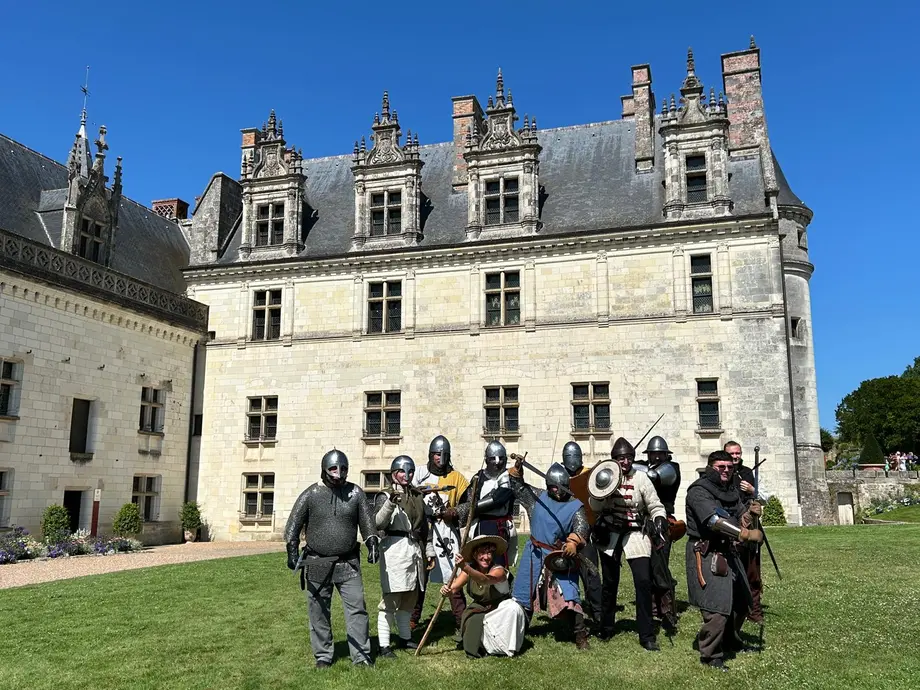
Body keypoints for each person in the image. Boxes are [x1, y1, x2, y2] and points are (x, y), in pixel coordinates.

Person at [284, 449, 380, 668]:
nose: (339, 473)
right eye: (334, 468)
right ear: (324, 469)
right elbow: (293, 525)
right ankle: (323, 655)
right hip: (317, 561)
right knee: (318, 610)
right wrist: (292, 550)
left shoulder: (355, 493)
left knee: (357, 609)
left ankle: (361, 655)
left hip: (348, 562)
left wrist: (372, 542)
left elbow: (367, 523)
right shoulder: (312, 494)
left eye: (343, 468)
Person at [684, 450, 764, 671]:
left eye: (729, 467)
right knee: (716, 607)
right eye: (721, 466)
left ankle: (730, 640)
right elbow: (714, 521)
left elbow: (738, 515)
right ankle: (711, 655)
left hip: (729, 550)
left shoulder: (730, 491)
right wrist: (745, 534)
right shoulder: (698, 491)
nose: (726, 470)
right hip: (707, 551)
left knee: (741, 600)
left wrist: (750, 514)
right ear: (711, 467)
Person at [588, 437, 668, 651]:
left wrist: (659, 518)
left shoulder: (641, 478)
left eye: (629, 458)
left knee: (643, 581)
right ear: (614, 459)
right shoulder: (605, 475)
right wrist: (601, 490)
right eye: (621, 458)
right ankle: (606, 627)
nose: (625, 462)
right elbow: (594, 506)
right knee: (609, 583)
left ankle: (647, 634)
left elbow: (655, 504)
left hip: (635, 533)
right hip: (610, 533)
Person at [509, 459, 592, 650]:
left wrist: (573, 541)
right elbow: (518, 488)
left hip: (558, 555)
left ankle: (580, 634)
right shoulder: (537, 497)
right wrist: (517, 471)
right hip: (534, 553)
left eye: (559, 487)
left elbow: (582, 527)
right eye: (553, 487)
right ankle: (519, 631)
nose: (556, 491)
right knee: (524, 593)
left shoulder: (575, 506)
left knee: (568, 594)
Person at [374, 455, 435, 658]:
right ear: (393, 474)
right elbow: (378, 523)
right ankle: (384, 645)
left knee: (410, 597)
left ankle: (405, 637)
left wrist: (429, 550)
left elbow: (424, 526)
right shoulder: (385, 495)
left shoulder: (417, 495)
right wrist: (390, 503)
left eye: (409, 471)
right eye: (401, 471)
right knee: (391, 599)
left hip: (415, 550)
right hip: (395, 550)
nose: (406, 475)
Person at [410, 435, 470, 634]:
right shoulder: (419, 473)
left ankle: (461, 620)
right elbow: (408, 497)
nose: (440, 458)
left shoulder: (456, 478)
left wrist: (455, 512)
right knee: (419, 576)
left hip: (446, 531)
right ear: (430, 454)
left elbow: (468, 503)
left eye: (444, 454)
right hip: (423, 529)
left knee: (452, 575)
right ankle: (411, 619)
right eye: (436, 454)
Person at [439, 535, 527, 658]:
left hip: (500, 609)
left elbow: (485, 580)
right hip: (480, 608)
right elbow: (453, 589)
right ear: (474, 555)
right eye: (482, 553)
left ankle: (503, 646)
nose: (486, 557)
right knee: (472, 619)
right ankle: (481, 645)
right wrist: (446, 590)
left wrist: (465, 567)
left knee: (513, 609)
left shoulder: (499, 570)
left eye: (489, 553)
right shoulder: (469, 570)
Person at [637, 435, 682, 631]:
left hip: (662, 522)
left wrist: (634, 468)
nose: (656, 457)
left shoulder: (671, 468)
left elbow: (654, 476)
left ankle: (667, 609)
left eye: (660, 454)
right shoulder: (643, 466)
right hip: (642, 522)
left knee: (660, 566)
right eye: (653, 453)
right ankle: (653, 607)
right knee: (645, 567)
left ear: (666, 454)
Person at [561, 441, 603, 631]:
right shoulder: (559, 476)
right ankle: (569, 612)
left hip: (587, 534)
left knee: (591, 573)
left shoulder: (589, 475)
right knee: (566, 575)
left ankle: (597, 612)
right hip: (565, 534)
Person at [456, 441, 517, 567]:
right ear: (486, 460)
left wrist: (473, 508)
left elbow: (500, 497)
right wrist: (464, 510)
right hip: (482, 526)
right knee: (480, 563)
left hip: (501, 527)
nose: (497, 462)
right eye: (493, 458)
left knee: (499, 565)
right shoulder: (479, 477)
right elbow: (467, 499)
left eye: (501, 458)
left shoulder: (510, 478)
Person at [723, 441, 763, 624]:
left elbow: (762, 497)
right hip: (731, 524)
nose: (735, 456)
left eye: (737, 453)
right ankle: (733, 608)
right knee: (731, 570)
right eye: (731, 453)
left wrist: (753, 490)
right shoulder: (723, 474)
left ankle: (754, 610)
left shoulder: (747, 472)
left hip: (750, 522)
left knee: (753, 570)